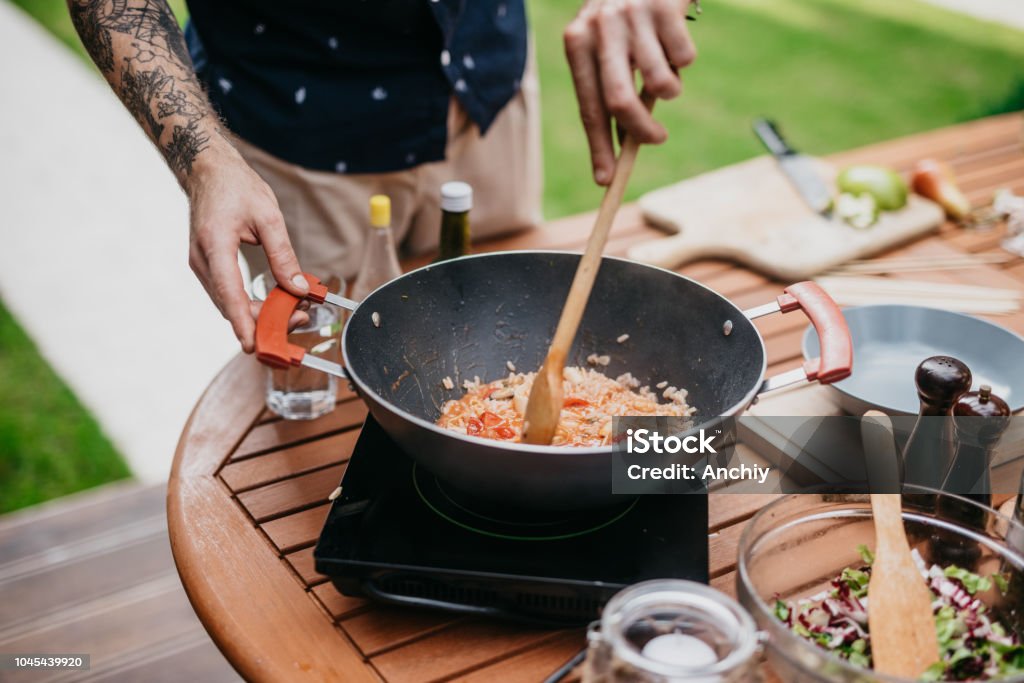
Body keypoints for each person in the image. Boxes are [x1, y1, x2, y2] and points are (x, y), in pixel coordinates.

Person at [67, 0, 698, 352]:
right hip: (292, 127)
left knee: (508, 328)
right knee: (327, 384)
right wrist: (204, 160)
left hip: (484, 87)